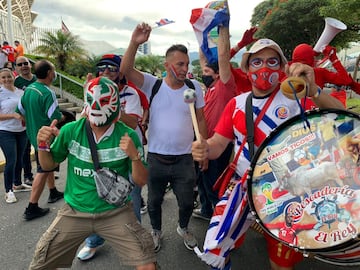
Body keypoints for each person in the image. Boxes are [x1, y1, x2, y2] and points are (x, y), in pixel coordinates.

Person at [192, 38, 344, 270]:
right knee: (215, 248)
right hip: (244, 189)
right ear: (247, 68)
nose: (264, 68)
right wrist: (204, 147)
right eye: (257, 62)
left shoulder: (298, 98)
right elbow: (217, 145)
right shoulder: (236, 104)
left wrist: (313, 89)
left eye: (272, 61)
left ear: (282, 67)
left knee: (280, 263)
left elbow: (343, 117)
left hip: (289, 193)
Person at [29, 76, 157, 270]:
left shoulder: (128, 135)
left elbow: (141, 180)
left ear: (116, 105)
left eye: (104, 101)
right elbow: (48, 165)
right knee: (41, 263)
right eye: (93, 100)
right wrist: (42, 145)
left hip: (115, 212)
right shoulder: (71, 131)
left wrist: (134, 157)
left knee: (148, 264)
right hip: (75, 211)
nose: (97, 105)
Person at [121, 22, 208, 252]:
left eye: (187, 64)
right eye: (180, 64)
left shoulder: (193, 87)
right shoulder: (153, 85)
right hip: (158, 159)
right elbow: (126, 70)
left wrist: (203, 145)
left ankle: (183, 227)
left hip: (185, 159)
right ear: (166, 64)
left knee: (187, 201)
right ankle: (156, 231)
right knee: (154, 201)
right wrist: (134, 42)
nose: (184, 68)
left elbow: (200, 119)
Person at [76, 54, 146, 261]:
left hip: (127, 152)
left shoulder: (130, 93)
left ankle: (137, 242)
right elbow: (83, 120)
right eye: (102, 68)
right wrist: (90, 97)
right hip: (99, 153)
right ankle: (94, 241)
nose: (106, 72)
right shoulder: (93, 91)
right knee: (98, 199)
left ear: (120, 73)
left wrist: (109, 104)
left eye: (112, 69)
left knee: (130, 199)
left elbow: (133, 123)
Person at [192, 25, 236, 221]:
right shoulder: (209, 89)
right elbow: (204, 59)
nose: (204, 74)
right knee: (202, 179)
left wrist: (223, 27)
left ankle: (221, 219)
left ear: (218, 73)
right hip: (205, 143)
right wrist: (200, 34)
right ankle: (206, 211)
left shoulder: (224, 86)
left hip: (219, 145)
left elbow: (223, 57)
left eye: (207, 71)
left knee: (214, 183)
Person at [17, 59, 64, 221]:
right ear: (50, 74)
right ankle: (32, 206)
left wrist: (31, 122)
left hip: (33, 134)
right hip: (45, 137)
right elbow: (55, 118)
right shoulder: (47, 92)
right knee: (43, 170)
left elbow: (20, 111)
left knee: (47, 165)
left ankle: (53, 191)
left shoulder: (29, 89)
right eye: (53, 70)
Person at [0, 68, 31, 203]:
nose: (7, 79)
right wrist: (12, 115)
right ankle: (8, 191)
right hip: (5, 131)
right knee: (11, 160)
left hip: (22, 130)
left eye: (9, 76)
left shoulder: (21, 92)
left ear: (13, 76)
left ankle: (17, 184)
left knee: (19, 158)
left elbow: (26, 108)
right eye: (3, 77)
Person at [290, 43, 353, 109]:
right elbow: (346, 80)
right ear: (312, 59)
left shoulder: (288, 73)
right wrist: (333, 58)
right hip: (316, 115)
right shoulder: (319, 72)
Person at [14, 56, 37, 186]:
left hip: (39, 119)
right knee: (25, 150)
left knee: (42, 147)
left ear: (30, 65)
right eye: (20, 64)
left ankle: (45, 171)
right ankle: (28, 176)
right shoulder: (16, 82)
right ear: (16, 68)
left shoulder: (37, 79)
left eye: (25, 63)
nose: (23, 66)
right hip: (25, 122)